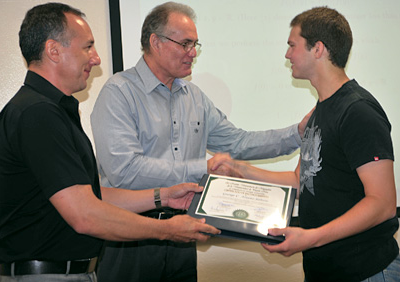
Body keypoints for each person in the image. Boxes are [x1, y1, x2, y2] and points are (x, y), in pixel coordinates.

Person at [0, 3, 220, 282]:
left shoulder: (51, 110)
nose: (96, 59)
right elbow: (86, 215)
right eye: (87, 47)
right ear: (53, 50)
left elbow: (90, 197)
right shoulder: (37, 114)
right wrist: (167, 230)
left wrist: (162, 195)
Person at [90, 2, 311, 282]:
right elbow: (125, 171)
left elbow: (238, 142)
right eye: (185, 44)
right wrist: (202, 168)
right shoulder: (119, 93)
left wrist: (297, 134)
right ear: (155, 42)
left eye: (195, 44)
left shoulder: (194, 97)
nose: (193, 53)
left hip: (183, 231)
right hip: (130, 235)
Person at [210, 6, 400, 282]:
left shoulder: (358, 111)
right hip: (324, 269)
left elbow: (383, 203)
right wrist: (240, 170)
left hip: (364, 270)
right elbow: (302, 181)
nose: (287, 55)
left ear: (318, 49)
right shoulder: (319, 111)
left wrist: (311, 238)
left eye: (292, 45)